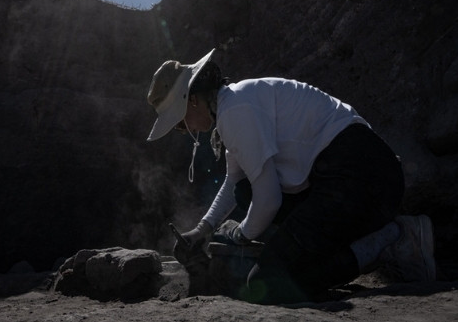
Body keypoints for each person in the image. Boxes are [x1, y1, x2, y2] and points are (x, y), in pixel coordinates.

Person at [146, 48, 436, 304]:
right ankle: (313, 250)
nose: (187, 130)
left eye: (180, 122)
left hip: (363, 178)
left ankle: (392, 241)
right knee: (246, 192)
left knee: (270, 284)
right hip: (357, 176)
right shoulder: (233, 104)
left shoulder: (235, 110)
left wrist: (242, 234)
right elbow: (235, 180)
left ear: (192, 100)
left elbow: (270, 199)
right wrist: (202, 230)